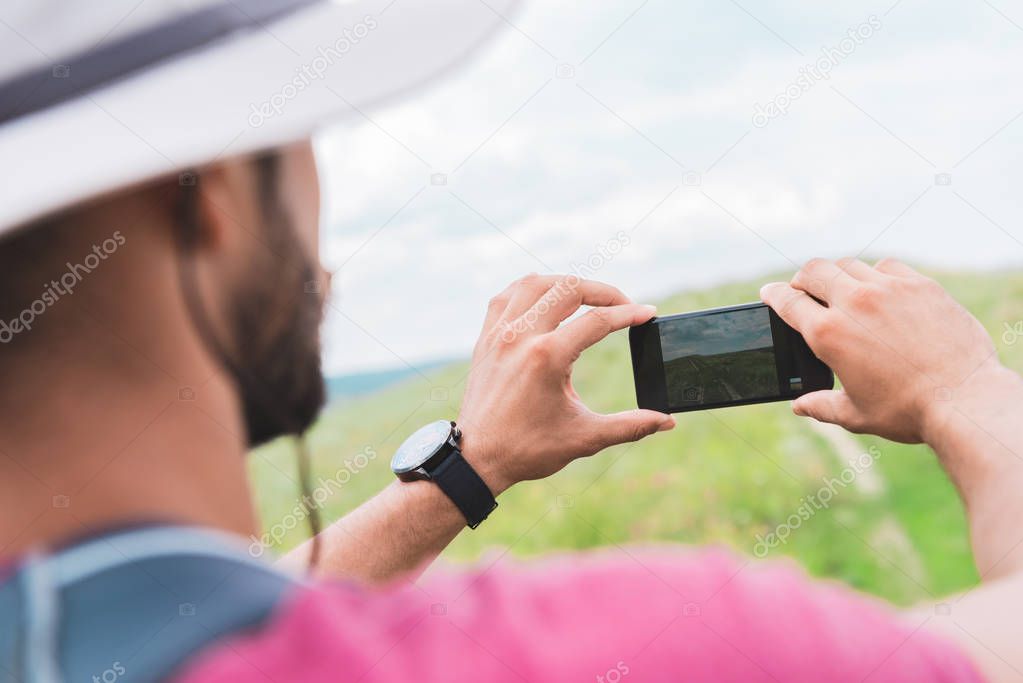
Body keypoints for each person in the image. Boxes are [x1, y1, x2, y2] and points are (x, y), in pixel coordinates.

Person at [0, 1, 1019, 681]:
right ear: (208, 189)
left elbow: (182, 619)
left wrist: (466, 470)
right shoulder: (659, 644)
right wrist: (966, 388)